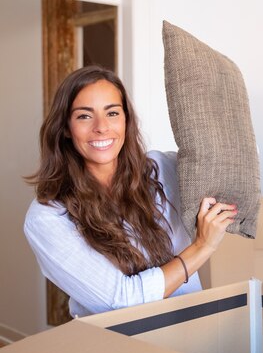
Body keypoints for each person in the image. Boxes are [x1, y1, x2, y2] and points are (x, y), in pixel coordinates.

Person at [24, 65, 237, 318]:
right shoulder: (47, 217)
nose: (102, 127)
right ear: (66, 128)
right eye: (84, 116)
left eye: (112, 113)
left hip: (190, 331)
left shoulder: (161, 169)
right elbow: (122, 301)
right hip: (117, 350)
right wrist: (203, 246)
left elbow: (229, 161)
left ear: (126, 120)